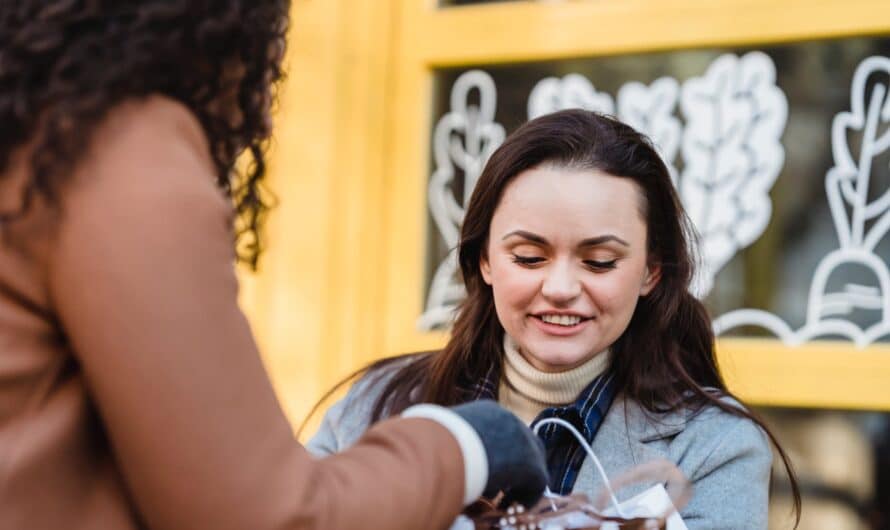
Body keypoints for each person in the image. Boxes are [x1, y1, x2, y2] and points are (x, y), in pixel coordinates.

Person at [0, 2, 549, 529]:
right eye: (527, 256)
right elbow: (263, 518)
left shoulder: (33, 136)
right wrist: (468, 444)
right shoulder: (113, 156)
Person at [308, 109, 803, 529]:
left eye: (599, 262)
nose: (561, 289)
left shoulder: (714, 447)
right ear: (484, 261)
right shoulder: (374, 405)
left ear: (651, 271)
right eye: (528, 257)